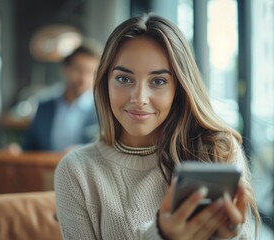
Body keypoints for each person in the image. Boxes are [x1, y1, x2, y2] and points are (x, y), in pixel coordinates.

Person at [54, 13, 260, 239]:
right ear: (105, 82)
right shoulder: (76, 171)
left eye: (159, 81)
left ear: (179, 89)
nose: (139, 98)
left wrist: (231, 236)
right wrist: (162, 235)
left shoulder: (217, 150)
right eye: (124, 79)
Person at [21, 43, 101, 151]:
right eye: (79, 70)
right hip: (47, 167)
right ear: (66, 69)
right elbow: (29, 146)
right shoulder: (44, 107)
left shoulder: (101, 110)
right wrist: (17, 150)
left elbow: (105, 148)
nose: (83, 78)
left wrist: (78, 152)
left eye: (90, 72)